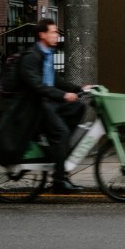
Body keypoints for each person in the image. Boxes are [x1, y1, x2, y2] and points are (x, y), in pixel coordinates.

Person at [16, 18, 92, 194]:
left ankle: (57, 151)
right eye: (53, 32)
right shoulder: (32, 56)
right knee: (62, 132)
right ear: (42, 34)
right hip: (37, 106)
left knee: (78, 108)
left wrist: (79, 89)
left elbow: (55, 80)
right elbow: (38, 86)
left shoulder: (47, 53)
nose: (56, 35)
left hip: (49, 103)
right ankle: (59, 181)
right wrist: (63, 95)